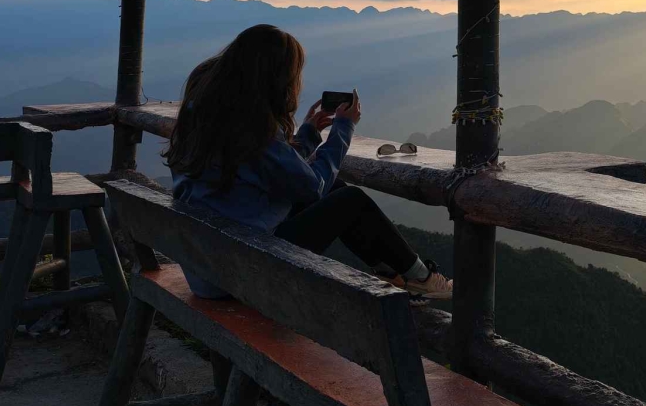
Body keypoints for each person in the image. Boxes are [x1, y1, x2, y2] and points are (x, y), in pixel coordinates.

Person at [165, 24, 451, 300]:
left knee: (336, 189)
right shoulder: (251, 130)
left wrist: (309, 134)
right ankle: (421, 279)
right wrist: (343, 129)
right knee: (350, 199)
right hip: (239, 272)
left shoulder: (208, 114)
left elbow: (278, 170)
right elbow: (312, 187)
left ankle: (394, 272)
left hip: (208, 263)